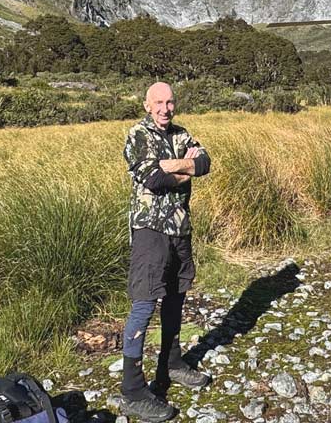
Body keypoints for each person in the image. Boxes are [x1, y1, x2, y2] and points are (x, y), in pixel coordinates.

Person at [119, 82, 212, 422]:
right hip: (150, 230)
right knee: (144, 304)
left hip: (179, 228)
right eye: (158, 102)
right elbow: (153, 180)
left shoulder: (182, 133)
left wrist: (171, 166)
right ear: (146, 104)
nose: (165, 108)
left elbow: (204, 164)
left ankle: (171, 364)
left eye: (170, 101)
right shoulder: (137, 135)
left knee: (177, 295)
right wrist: (181, 169)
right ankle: (131, 391)